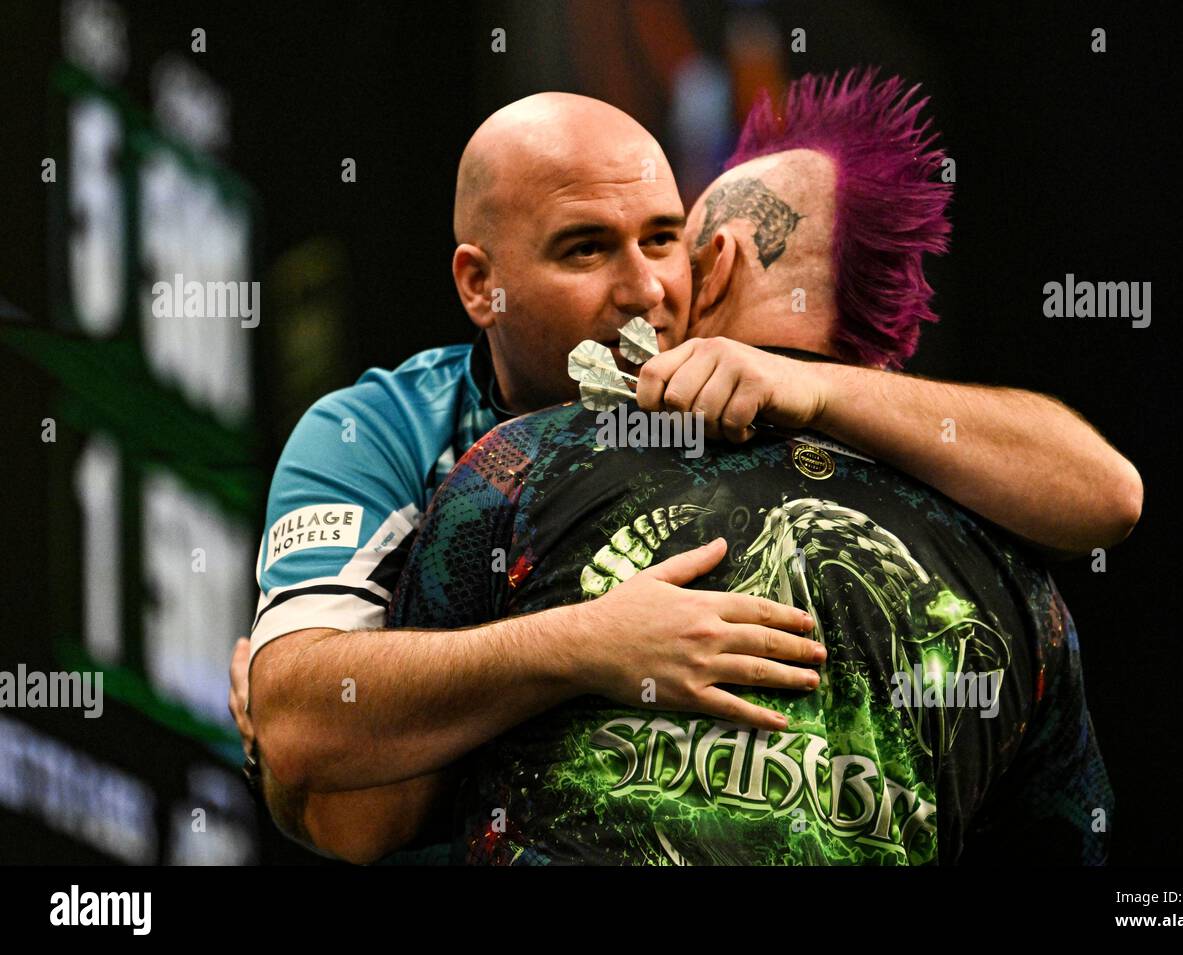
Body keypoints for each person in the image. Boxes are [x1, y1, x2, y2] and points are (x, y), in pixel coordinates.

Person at [235, 79, 1136, 860]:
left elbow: (1108, 493)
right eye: (585, 248)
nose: (647, 292)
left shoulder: (800, 444)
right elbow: (330, 764)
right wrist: (585, 645)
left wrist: (808, 385)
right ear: (481, 284)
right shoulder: (389, 432)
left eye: (664, 240)